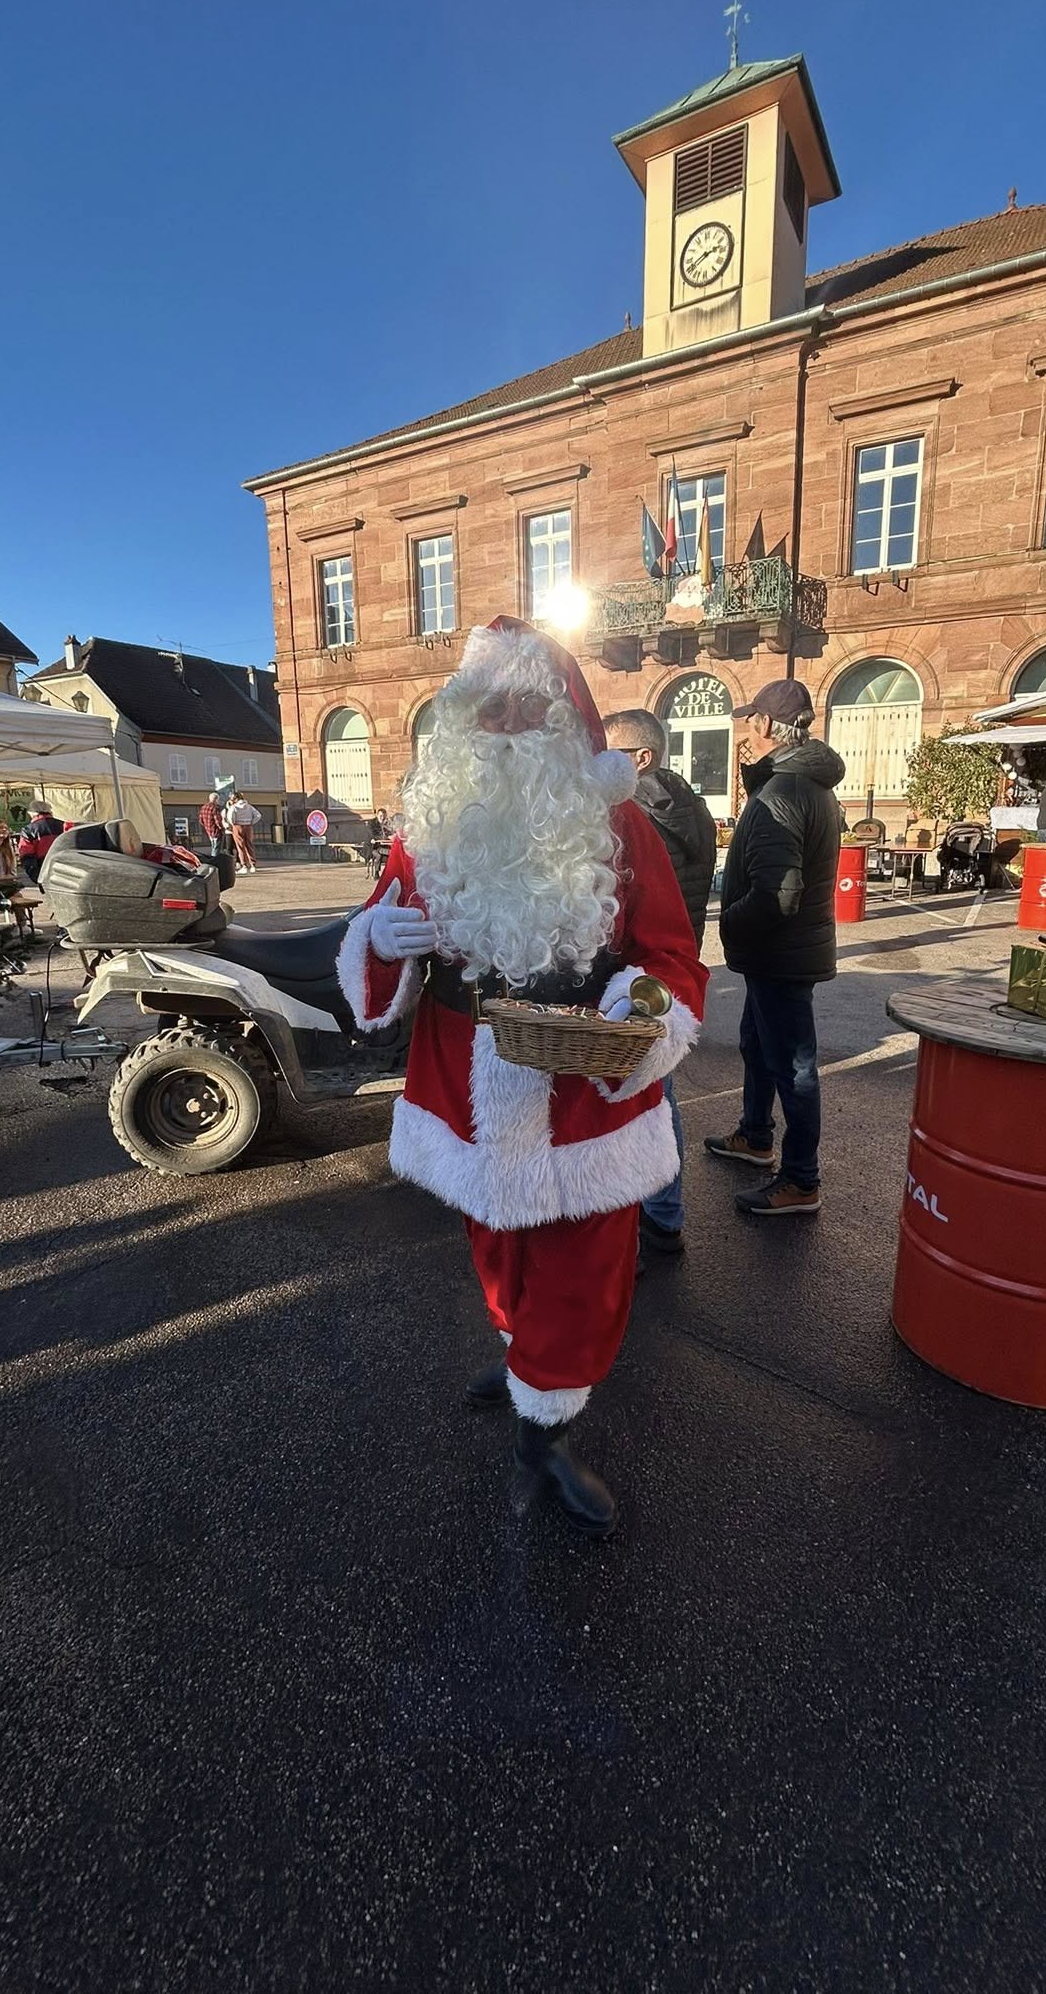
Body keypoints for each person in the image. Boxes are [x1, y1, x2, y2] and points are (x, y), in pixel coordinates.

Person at [337, 615, 706, 1535]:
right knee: (495, 1246)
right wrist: (378, 938)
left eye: (526, 707)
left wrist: (637, 1009)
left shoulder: (620, 824)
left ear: (566, 720)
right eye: (487, 709)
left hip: (581, 1092)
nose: (504, 725)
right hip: (462, 1085)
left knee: (586, 1264)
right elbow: (375, 938)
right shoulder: (428, 828)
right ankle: (522, 1360)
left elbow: (670, 956)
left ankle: (546, 1426)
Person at [706, 678, 843, 1219]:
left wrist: (728, 924)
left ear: (765, 724)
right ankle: (755, 1135)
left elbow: (778, 894)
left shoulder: (784, 792)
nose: (745, 731)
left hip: (780, 953)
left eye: (749, 720)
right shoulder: (804, 785)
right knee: (759, 1046)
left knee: (794, 1068)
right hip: (783, 953)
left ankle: (801, 1179)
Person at [604, 707, 717, 1258]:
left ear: (641, 758)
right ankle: (666, 1213)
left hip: (637, 973)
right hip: (673, 964)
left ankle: (639, 1220)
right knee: (659, 1094)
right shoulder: (694, 807)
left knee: (638, 1102)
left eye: (611, 752)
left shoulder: (636, 816)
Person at [16, 801, 64, 883]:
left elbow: (26, 855)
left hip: (43, 868)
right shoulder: (64, 825)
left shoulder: (28, 830)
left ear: (32, 813)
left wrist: (35, 877)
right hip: (64, 867)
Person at [226, 792, 261, 874]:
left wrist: (233, 823)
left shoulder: (234, 807)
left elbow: (230, 817)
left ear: (235, 799)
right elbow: (258, 815)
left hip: (238, 826)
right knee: (249, 845)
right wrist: (251, 822)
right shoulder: (249, 806)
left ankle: (244, 865)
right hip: (248, 826)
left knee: (240, 846)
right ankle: (253, 865)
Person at [198, 790, 227, 857]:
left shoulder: (203, 807)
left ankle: (213, 859)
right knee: (216, 848)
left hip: (209, 830)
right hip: (216, 831)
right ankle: (214, 861)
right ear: (216, 799)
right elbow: (218, 821)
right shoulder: (215, 808)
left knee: (213, 846)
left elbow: (200, 820)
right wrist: (222, 829)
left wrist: (206, 826)